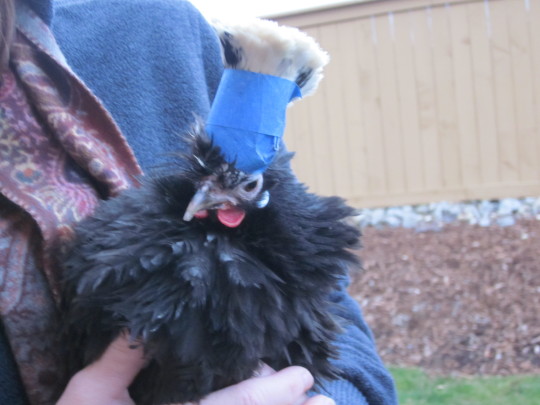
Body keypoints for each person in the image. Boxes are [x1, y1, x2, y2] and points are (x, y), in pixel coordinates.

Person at [0, 0, 398, 404]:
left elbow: (327, 302)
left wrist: (333, 398)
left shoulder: (157, 25)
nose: (208, 192)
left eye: (238, 188)